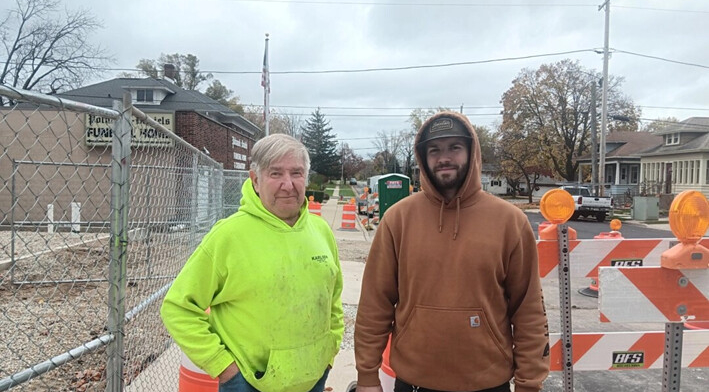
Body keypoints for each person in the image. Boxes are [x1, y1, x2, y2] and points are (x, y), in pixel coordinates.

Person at [354, 112, 549, 392]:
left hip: (488, 383)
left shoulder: (509, 221)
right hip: (414, 382)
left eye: (454, 147)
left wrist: (529, 383)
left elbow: (528, 310)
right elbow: (375, 304)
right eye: (435, 150)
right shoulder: (398, 220)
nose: (444, 157)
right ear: (423, 158)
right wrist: (367, 377)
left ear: (472, 153)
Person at [161, 133, 344, 392]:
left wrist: (330, 351)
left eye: (296, 173)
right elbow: (178, 307)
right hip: (248, 382)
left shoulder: (321, 231)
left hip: (314, 379)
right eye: (276, 173)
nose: (288, 184)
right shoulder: (228, 236)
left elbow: (333, 300)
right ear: (256, 180)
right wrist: (224, 368)